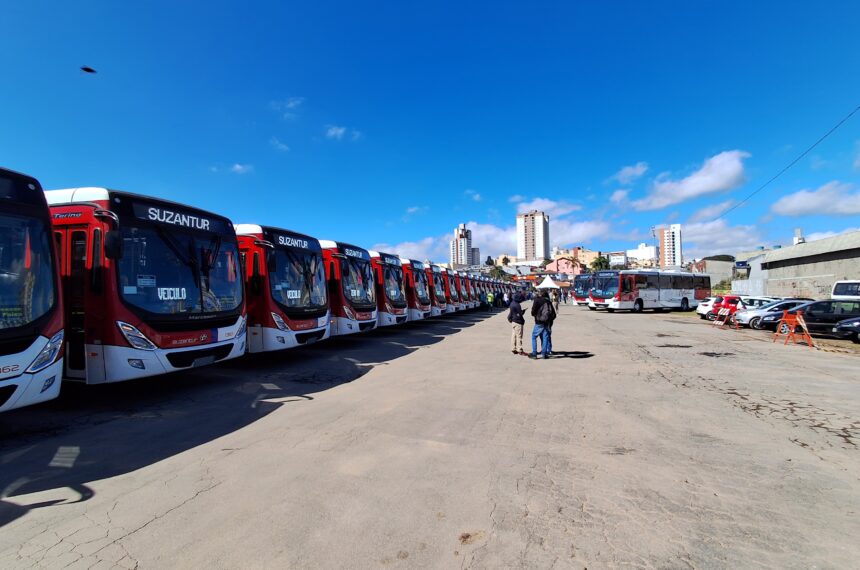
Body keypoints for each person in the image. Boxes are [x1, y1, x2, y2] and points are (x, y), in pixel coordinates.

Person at [529, 290, 555, 359]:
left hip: (539, 322)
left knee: (534, 336)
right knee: (545, 337)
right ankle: (544, 354)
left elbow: (533, 312)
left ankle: (534, 353)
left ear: (540, 294)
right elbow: (554, 314)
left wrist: (536, 315)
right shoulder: (548, 301)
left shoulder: (537, 300)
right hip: (546, 322)